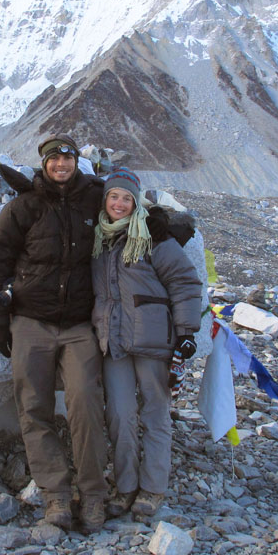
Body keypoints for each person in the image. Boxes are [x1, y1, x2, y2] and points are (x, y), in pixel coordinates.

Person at [0, 133, 109, 533]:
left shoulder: (95, 198)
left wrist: (165, 225)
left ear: (76, 162)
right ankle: (55, 493)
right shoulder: (25, 206)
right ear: (44, 163)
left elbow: (131, 212)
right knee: (33, 406)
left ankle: (92, 494)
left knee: (85, 404)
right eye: (54, 159)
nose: (61, 165)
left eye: (67, 158)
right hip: (31, 321)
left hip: (77, 324)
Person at [90, 168, 208, 518]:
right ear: (105, 200)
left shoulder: (154, 236)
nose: (120, 204)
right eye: (114, 197)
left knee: (155, 412)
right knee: (120, 414)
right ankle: (125, 486)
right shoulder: (99, 240)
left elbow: (185, 283)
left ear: (136, 202)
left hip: (154, 338)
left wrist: (187, 332)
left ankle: (153, 488)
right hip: (113, 341)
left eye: (127, 198)